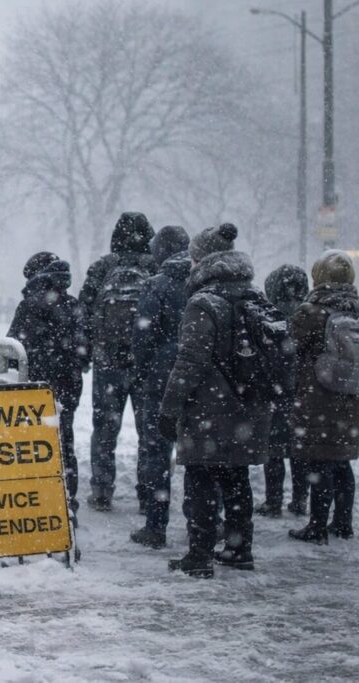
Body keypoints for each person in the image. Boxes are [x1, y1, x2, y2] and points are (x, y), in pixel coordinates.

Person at [160, 224, 272, 578]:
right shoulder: (254, 296)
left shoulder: (203, 302)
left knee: (202, 481)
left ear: (201, 260)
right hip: (247, 404)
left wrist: (170, 406)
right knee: (236, 478)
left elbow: (191, 360)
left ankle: (199, 555)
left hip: (209, 407)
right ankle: (239, 549)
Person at [289, 251, 359, 544]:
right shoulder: (358, 311)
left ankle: (316, 526)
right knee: (341, 463)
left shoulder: (311, 311)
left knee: (319, 463)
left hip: (317, 397)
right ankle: (342, 523)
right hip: (349, 398)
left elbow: (290, 346)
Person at [79, 212, 157, 512]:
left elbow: (84, 313)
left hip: (108, 361)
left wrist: (85, 354)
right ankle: (149, 494)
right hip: (145, 362)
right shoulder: (155, 269)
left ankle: (101, 490)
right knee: (148, 430)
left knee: (104, 428)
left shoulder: (102, 267)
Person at [8, 254, 90, 515]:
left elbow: (11, 350)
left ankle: (37, 500)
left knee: (32, 445)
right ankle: (67, 502)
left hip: (34, 387)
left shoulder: (27, 307)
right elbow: (84, 350)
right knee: (65, 443)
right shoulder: (72, 305)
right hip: (67, 387)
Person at [129, 225, 190, 549]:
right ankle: (208, 522)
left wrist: (144, 372)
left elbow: (143, 337)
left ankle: (156, 526)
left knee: (157, 452)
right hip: (200, 381)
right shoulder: (200, 282)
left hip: (161, 381)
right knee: (199, 453)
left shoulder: (156, 286)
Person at [258, 265, 310, 518]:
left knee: (274, 450)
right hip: (303, 392)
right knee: (298, 450)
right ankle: (300, 500)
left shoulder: (269, 316)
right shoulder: (310, 314)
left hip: (276, 391)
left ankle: (273, 501)